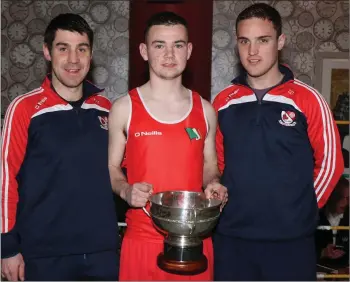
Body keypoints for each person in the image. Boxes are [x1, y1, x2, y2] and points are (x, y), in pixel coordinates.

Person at [212, 3, 344, 281]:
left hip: (291, 242)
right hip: (232, 238)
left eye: (263, 40)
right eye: (244, 41)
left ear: (280, 41)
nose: (252, 51)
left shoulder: (309, 99)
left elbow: (331, 164)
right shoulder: (224, 101)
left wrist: (302, 209)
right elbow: (218, 163)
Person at [108, 11, 227, 281]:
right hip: (141, 238)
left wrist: (214, 183)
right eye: (159, 45)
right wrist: (125, 189)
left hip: (195, 238)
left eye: (178, 45)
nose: (169, 54)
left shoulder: (206, 110)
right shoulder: (124, 108)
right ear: (144, 51)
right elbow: (112, 167)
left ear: (189, 50)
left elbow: (210, 164)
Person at [1, 13, 119, 281]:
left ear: (91, 54)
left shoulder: (106, 108)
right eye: (63, 48)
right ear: (47, 52)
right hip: (44, 255)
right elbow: (5, 178)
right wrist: (6, 247)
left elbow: (122, 169)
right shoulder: (24, 108)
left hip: (102, 252)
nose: (73, 59)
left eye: (82, 49)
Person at [315, 176, 349, 270]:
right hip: (319, 271)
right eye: (342, 197)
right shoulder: (316, 217)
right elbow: (303, 252)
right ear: (333, 196)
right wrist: (323, 253)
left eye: (348, 198)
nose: (346, 202)